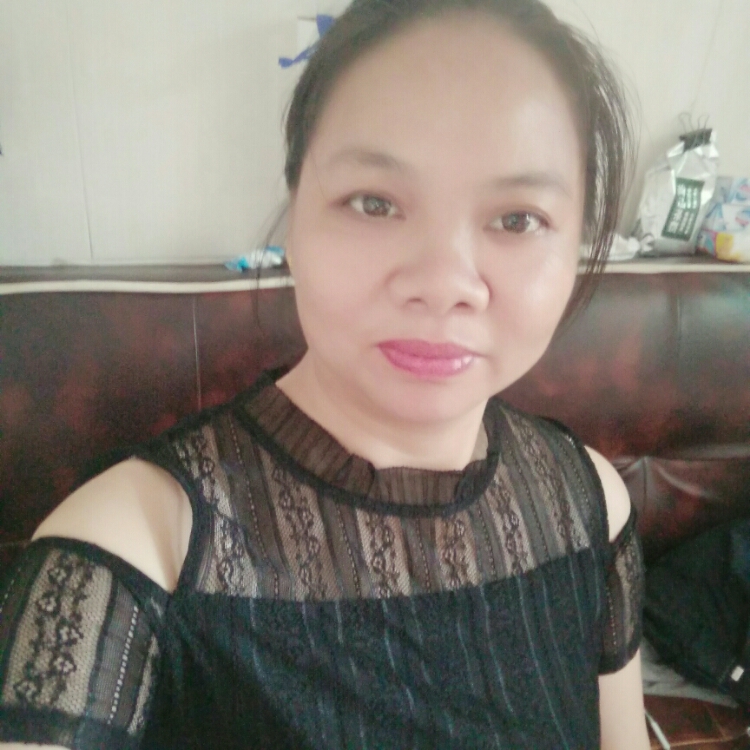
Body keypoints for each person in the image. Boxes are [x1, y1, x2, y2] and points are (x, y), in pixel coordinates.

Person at [0, 0, 650, 747]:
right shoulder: (128, 554)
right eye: (374, 203)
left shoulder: (589, 503)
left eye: (518, 219)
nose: (443, 283)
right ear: (295, 215)